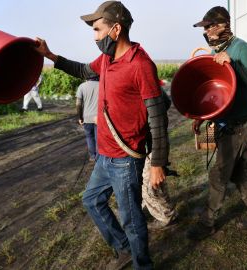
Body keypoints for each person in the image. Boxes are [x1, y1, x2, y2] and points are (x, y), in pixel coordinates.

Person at [35, 1, 169, 269]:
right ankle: (124, 249)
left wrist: (157, 165)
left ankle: (143, 265)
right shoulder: (107, 59)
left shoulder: (140, 65)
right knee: (92, 201)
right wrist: (50, 55)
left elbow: (158, 117)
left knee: (131, 219)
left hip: (125, 159)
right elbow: (84, 70)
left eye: (97, 30)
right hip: (105, 155)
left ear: (116, 29)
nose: (95, 37)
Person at [187, 6, 247, 241]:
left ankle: (207, 222)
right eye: (205, 27)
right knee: (238, 172)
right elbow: (219, 93)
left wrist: (235, 64)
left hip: (241, 124)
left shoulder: (240, 48)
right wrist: (204, 118)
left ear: (225, 25)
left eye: (213, 26)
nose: (209, 31)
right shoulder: (217, 50)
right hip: (225, 124)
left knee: (219, 174)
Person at [142, 86, 178, 230]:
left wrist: (151, 117)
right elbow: (167, 102)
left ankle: (167, 217)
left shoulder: (145, 89)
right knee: (150, 184)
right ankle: (155, 210)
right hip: (153, 145)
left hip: (152, 147)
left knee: (151, 186)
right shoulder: (154, 86)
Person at [76, 75, 100, 162]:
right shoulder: (101, 85)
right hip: (99, 118)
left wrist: (80, 117)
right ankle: (99, 157)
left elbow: (78, 104)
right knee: (99, 138)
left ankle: (93, 156)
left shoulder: (82, 86)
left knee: (89, 137)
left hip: (86, 118)